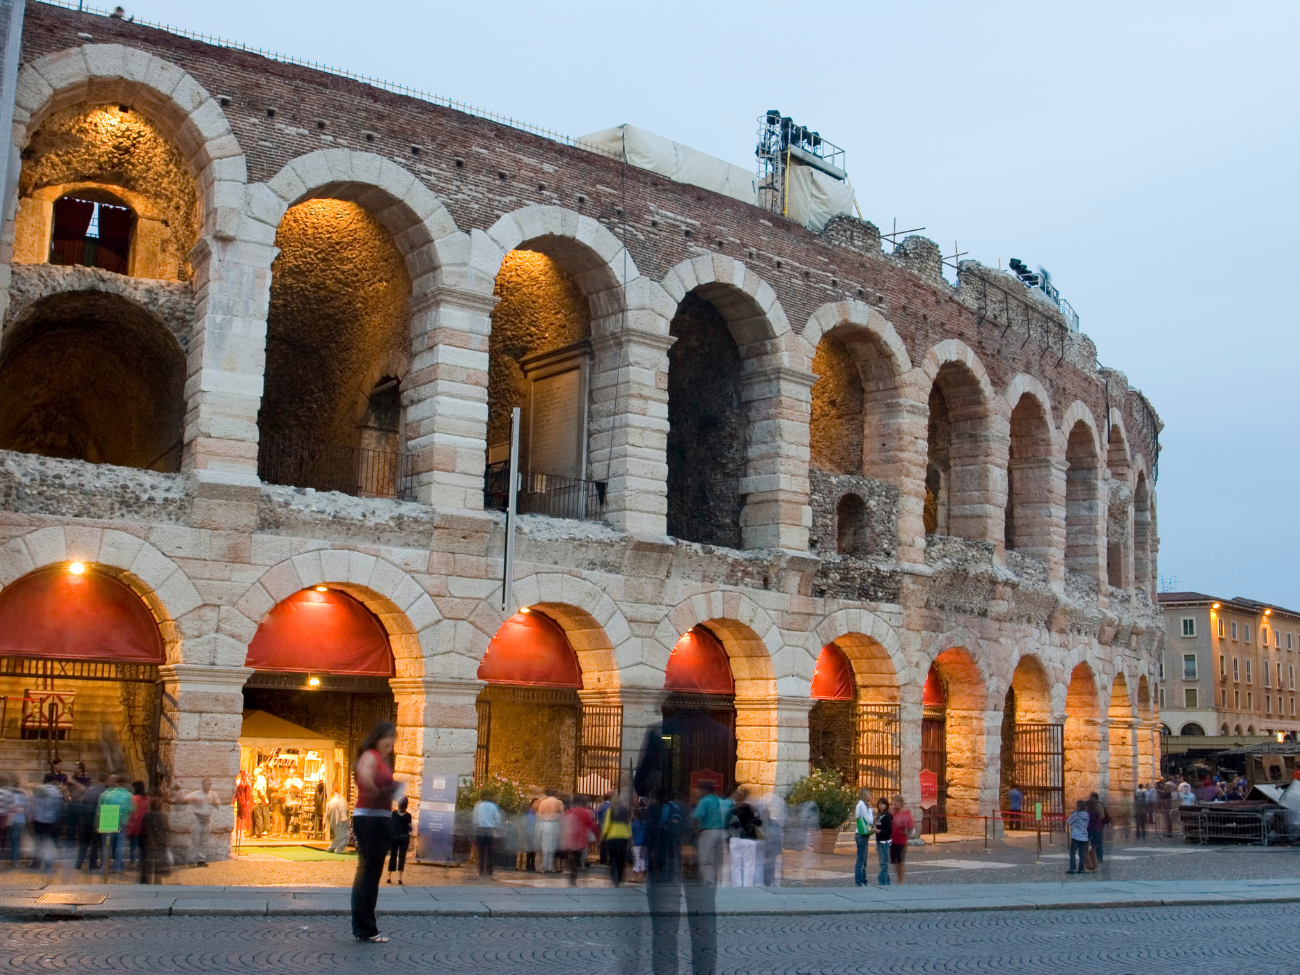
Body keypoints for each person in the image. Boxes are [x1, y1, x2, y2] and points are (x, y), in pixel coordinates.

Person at [351, 721, 399, 944]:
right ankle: (367, 927)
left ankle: (363, 926)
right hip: (372, 818)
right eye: (388, 741)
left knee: (368, 873)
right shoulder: (371, 756)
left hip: (376, 817)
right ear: (379, 738)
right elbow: (365, 780)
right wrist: (386, 791)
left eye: (392, 742)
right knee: (370, 874)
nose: (390, 746)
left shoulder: (379, 758)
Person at [691, 780, 728, 886]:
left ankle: (709, 882)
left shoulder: (704, 801)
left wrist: (696, 829)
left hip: (708, 832)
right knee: (718, 859)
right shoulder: (721, 800)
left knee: (707, 860)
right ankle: (718, 880)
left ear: (704, 790)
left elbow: (697, 816)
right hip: (722, 832)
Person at [180, 778, 219, 866]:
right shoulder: (197, 794)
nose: (208, 786)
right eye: (206, 784)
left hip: (207, 819)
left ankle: (201, 859)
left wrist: (214, 803)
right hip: (198, 819)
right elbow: (185, 798)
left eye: (209, 784)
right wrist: (194, 799)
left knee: (204, 841)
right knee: (196, 841)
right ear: (202, 785)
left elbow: (217, 804)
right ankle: (191, 859)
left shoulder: (213, 794)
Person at [728, 788, 763, 887]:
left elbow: (727, 823)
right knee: (749, 864)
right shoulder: (752, 808)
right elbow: (759, 822)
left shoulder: (732, 808)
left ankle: (736, 885)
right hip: (749, 838)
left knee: (735, 865)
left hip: (735, 838)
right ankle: (748, 885)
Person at [98, 775, 133, 872]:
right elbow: (132, 809)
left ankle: (104, 867)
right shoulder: (128, 795)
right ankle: (117, 867)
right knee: (119, 845)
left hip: (109, 817)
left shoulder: (107, 794)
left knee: (106, 844)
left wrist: (98, 823)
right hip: (122, 819)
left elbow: (101, 808)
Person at [561, 796, 597, 886]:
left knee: (572, 856)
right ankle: (574, 877)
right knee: (577, 858)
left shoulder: (569, 811)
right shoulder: (585, 812)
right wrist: (597, 836)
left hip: (570, 838)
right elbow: (591, 825)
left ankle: (571, 873)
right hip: (580, 839)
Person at [74, 773, 107, 871]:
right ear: (106, 781)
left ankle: (78, 863)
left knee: (83, 844)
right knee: (95, 844)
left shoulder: (89, 790)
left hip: (84, 821)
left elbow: (83, 803)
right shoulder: (104, 792)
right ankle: (92, 864)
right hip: (96, 821)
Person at [31, 779, 63, 871]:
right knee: (48, 843)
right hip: (51, 821)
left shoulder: (39, 790)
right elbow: (58, 807)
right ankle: (48, 864)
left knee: (38, 842)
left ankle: (36, 863)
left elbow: (35, 804)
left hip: (39, 820)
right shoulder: (57, 792)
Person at [140, 796, 170, 885]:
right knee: (158, 866)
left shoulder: (147, 816)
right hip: (159, 843)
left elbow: (143, 829)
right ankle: (157, 883)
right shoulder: (162, 816)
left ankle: (147, 882)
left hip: (149, 843)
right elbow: (166, 828)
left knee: (148, 865)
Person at [601, 801, 632, 886]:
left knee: (612, 858)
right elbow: (628, 825)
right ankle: (619, 878)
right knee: (621, 859)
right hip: (623, 837)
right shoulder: (625, 812)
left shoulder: (610, 811)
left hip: (612, 837)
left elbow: (607, 824)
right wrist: (630, 836)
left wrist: (603, 835)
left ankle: (613, 877)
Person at [472, 793, 501, 876]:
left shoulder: (479, 806)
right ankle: (489, 870)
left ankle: (481, 870)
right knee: (490, 851)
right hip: (490, 830)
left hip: (480, 829)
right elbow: (497, 819)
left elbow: (475, 819)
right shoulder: (494, 806)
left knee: (481, 851)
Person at [537, 789, 563, 873]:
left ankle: (544, 866)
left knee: (545, 845)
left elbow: (539, 815)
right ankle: (550, 867)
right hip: (555, 824)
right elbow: (562, 815)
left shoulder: (543, 803)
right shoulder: (559, 802)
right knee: (553, 846)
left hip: (545, 824)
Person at [853, 788, 874, 887]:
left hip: (860, 834)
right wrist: (870, 810)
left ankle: (862, 879)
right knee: (861, 859)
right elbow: (869, 820)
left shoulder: (859, 805)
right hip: (862, 834)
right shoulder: (862, 806)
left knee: (862, 858)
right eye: (869, 794)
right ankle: (860, 880)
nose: (871, 796)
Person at [890, 795, 914, 885]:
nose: (895, 803)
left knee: (901, 860)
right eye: (894, 801)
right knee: (895, 861)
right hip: (893, 840)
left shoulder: (906, 813)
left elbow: (910, 826)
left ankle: (901, 880)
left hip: (902, 840)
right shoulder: (893, 813)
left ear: (901, 803)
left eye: (897, 801)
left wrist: (906, 830)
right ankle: (898, 878)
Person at [388, 796, 412, 884]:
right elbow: (410, 828)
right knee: (402, 857)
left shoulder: (393, 814)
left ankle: (389, 876)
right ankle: (400, 877)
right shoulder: (408, 816)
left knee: (393, 856)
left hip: (394, 837)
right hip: (404, 838)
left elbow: (389, 826)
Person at [1066, 799, 1090, 874]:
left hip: (1076, 836)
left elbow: (1068, 821)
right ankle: (1081, 869)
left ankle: (1073, 868)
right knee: (1082, 853)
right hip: (1084, 836)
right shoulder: (1087, 815)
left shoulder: (1076, 815)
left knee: (1072, 853)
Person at [127, 781, 148, 867]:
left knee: (133, 844)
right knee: (142, 844)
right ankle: (142, 860)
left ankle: (132, 860)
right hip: (144, 823)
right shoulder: (147, 798)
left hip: (135, 823)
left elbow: (133, 810)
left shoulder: (134, 798)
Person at [1085, 792, 1109, 866]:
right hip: (1094, 827)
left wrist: (1097, 823)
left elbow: (1102, 815)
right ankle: (1095, 860)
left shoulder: (1098, 805)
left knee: (1097, 844)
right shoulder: (1092, 805)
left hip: (1097, 827)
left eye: (1090, 796)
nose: (1089, 797)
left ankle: (1099, 858)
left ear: (1094, 797)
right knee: (1094, 844)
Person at [325, 786, 350, 853]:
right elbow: (344, 810)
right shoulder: (341, 800)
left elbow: (328, 813)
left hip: (335, 821)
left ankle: (332, 847)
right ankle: (339, 849)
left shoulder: (332, 801)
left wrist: (329, 822)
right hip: (341, 820)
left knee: (338, 836)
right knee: (343, 837)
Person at [874, 798, 892, 886]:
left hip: (885, 841)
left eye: (883, 804)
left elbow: (889, 830)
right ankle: (887, 882)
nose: (881, 806)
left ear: (886, 805)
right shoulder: (879, 816)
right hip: (879, 841)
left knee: (884, 863)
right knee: (882, 863)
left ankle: (881, 881)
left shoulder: (887, 816)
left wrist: (879, 831)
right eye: (880, 804)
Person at [631, 799, 649, 883]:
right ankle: (643, 877)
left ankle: (636, 877)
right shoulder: (644, 823)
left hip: (636, 843)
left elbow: (630, 833)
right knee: (643, 859)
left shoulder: (634, 823)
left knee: (637, 859)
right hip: (644, 843)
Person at [234, 770, 252, 853]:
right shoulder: (241, 783)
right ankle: (236, 843)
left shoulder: (243, 782)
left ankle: (238, 843)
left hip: (240, 804)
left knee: (239, 823)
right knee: (237, 823)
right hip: (239, 804)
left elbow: (247, 794)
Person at [251, 767, 268, 839]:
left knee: (258, 818)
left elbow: (260, 792)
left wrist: (265, 799)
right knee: (256, 817)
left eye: (254, 771)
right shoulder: (259, 780)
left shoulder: (260, 780)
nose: (253, 772)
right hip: (256, 801)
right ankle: (255, 833)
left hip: (257, 801)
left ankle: (258, 834)